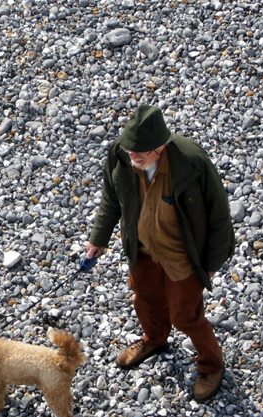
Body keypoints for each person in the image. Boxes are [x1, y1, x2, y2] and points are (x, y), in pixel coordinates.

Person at [86, 104, 234, 400]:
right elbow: (111, 198)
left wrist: (210, 264)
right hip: (141, 251)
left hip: (182, 258)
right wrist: (98, 238)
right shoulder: (121, 153)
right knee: (146, 300)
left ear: (161, 146)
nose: (133, 156)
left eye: (140, 152)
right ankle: (154, 339)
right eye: (130, 149)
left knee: (187, 316)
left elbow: (220, 217)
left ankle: (211, 365)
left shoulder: (191, 162)